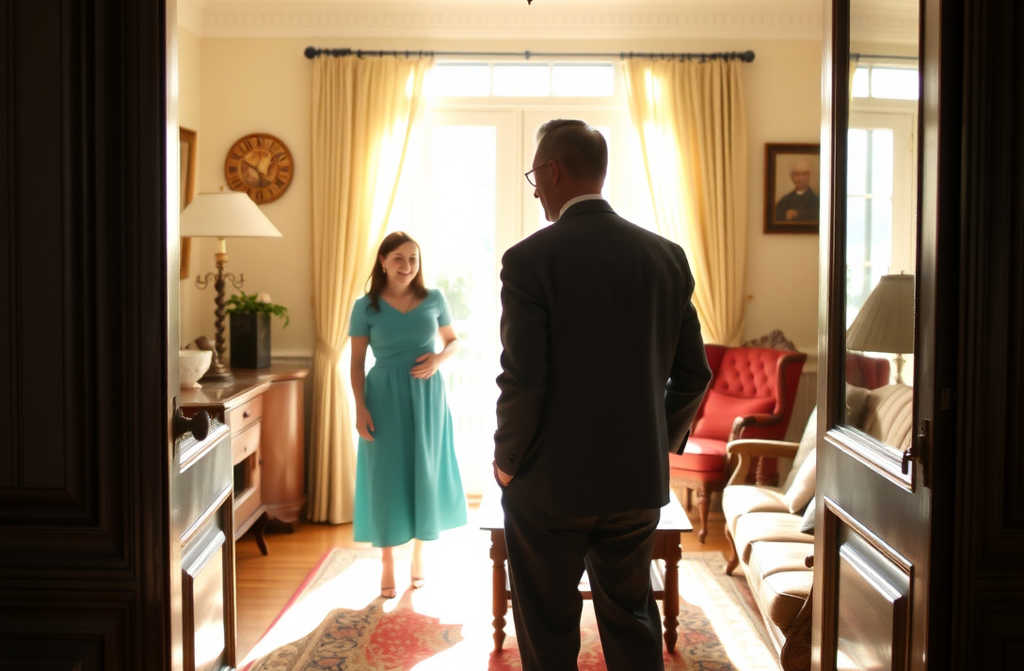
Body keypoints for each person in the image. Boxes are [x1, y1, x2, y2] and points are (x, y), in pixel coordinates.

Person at [493, 119, 711, 670]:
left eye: (533, 178)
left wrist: (506, 462)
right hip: (635, 480)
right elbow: (694, 374)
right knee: (631, 617)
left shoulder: (528, 260)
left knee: (547, 626)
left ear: (552, 171)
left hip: (547, 483)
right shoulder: (667, 257)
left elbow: (523, 378)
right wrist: (657, 440)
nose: (535, 192)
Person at [349, 232, 467, 599]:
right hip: (382, 396)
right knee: (385, 475)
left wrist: (438, 359)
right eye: (399, 258)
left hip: (427, 396)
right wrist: (360, 408)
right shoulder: (365, 307)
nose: (407, 266)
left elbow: (454, 341)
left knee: (424, 470)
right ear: (383, 261)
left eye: (413, 258)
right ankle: (387, 560)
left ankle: (419, 553)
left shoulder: (434, 299)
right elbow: (356, 363)